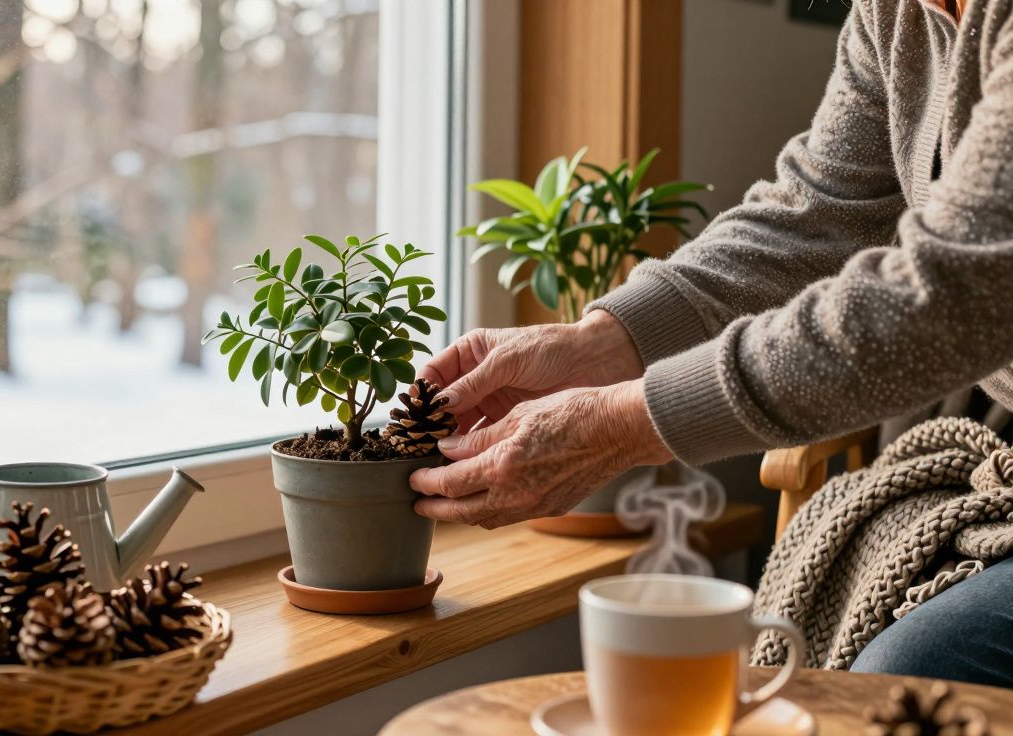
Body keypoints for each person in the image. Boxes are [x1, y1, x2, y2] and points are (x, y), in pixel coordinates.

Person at [409, 0, 1013, 687]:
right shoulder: (894, 14)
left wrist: (623, 425)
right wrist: (604, 340)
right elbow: (815, 217)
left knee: (914, 674)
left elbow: (954, 293)